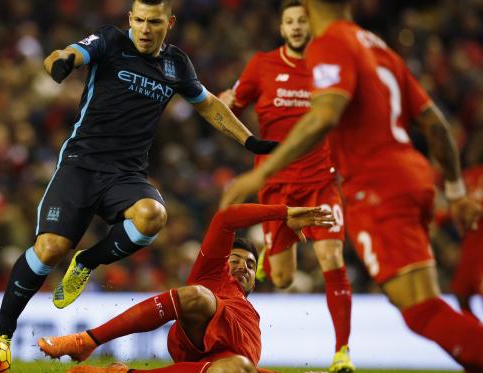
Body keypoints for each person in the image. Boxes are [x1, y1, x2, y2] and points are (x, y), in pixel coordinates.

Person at [0, 0, 278, 341]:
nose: (144, 29)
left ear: (168, 23)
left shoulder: (176, 64)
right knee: (50, 249)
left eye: (153, 22)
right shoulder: (110, 41)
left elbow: (209, 105)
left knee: (152, 215)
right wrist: (63, 61)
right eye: (139, 20)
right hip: (81, 165)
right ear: (130, 19)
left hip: (125, 175)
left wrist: (250, 142)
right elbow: (66, 53)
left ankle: (87, 262)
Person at [220, 0, 483, 370]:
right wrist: (455, 193)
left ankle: (342, 352)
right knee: (420, 301)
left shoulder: (330, 45)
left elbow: (324, 116)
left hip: (376, 189)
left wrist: (260, 172)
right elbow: (436, 125)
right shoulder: (377, 46)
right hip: (412, 177)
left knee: (421, 310)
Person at [37, 204, 333, 373]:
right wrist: (283, 213)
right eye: (237, 259)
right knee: (198, 295)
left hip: (222, 367)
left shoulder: (251, 315)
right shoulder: (213, 275)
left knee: (237, 368)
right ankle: (87, 341)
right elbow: (227, 217)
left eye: (251, 265)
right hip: (195, 330)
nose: (244, 266)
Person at [218, 2, 352, 371]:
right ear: (281, 28)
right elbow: (234, 103)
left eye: (302, 21)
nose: (296, 27)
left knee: (332, 258)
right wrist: (222, 101)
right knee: (284, 278)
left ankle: (342, 352)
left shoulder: (329, 66)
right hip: (276, 186)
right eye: (290, 21)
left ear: (312, 26)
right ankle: (268, 261)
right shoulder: (261, 65)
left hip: (320, 181)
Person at [452, 142, 483, 321]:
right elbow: (452, 209)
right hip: (469, 249)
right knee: (461, 294)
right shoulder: (466, 177)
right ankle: (476, 337)